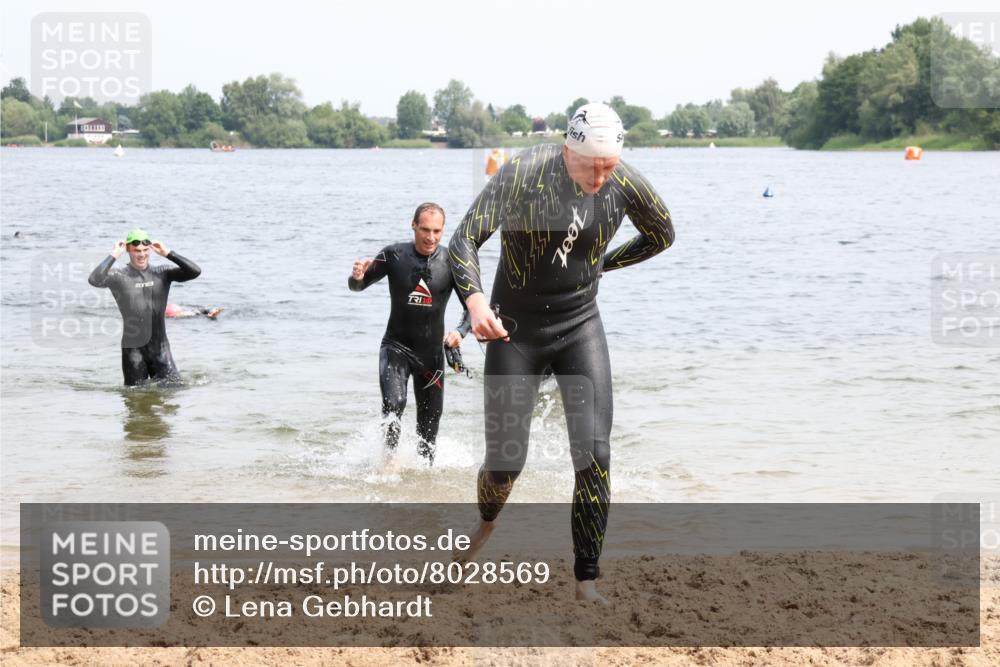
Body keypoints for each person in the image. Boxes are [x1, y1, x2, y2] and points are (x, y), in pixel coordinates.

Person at [448, 103, 675, 603]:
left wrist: (600, 267)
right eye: (589, 163)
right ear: (567, 149)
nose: (599, 175)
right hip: (515, 332)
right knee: (506, 463)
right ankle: (485, 523)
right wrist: (476, 300)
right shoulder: (526, 173)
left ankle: (586, 580)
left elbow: (662, 235)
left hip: (579, 326)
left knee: (593, 454)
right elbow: (463, 238)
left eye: (608, 165)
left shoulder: (624, 181)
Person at [349, 202, 471, 464]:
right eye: (425, 229)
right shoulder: (393, 255)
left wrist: (460, 332)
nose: (431, 237)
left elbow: (473, 308)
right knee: (394, 404)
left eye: (437, 231)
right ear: (413, 225)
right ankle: (389, 464)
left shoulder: (452, 262)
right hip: (396, 347)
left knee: (428, 429)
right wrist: (357, 277)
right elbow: (358, 286)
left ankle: (424, 486)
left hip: (432, 355)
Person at [88, 228, 202, 386]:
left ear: (150, 249)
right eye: (136, 250)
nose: (141, 254)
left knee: (173, 396)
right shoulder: (118, 276)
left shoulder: (162, 272)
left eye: (145, 250)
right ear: (128, 249)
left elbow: (195, 271)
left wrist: (168, 253)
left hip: (161, 350)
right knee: (135, 401)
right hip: (133, 352)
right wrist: (114, 254)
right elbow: (94, 279)